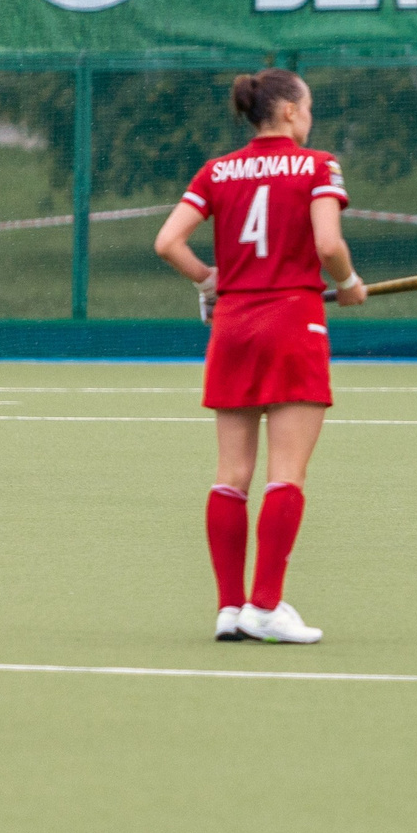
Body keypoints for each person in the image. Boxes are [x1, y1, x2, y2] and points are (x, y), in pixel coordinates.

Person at [153, 69, 363, 644]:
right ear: (291, 112)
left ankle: (230, 608)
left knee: (231, 476)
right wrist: (347, 282)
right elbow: (327, 244)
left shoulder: (218, 171)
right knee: (286, 474)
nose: (311, 117)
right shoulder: (318, 165)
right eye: (310, 106)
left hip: (233, 328)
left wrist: (207, 280)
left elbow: (167, 241)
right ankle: (266, 605)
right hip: (294, 324)